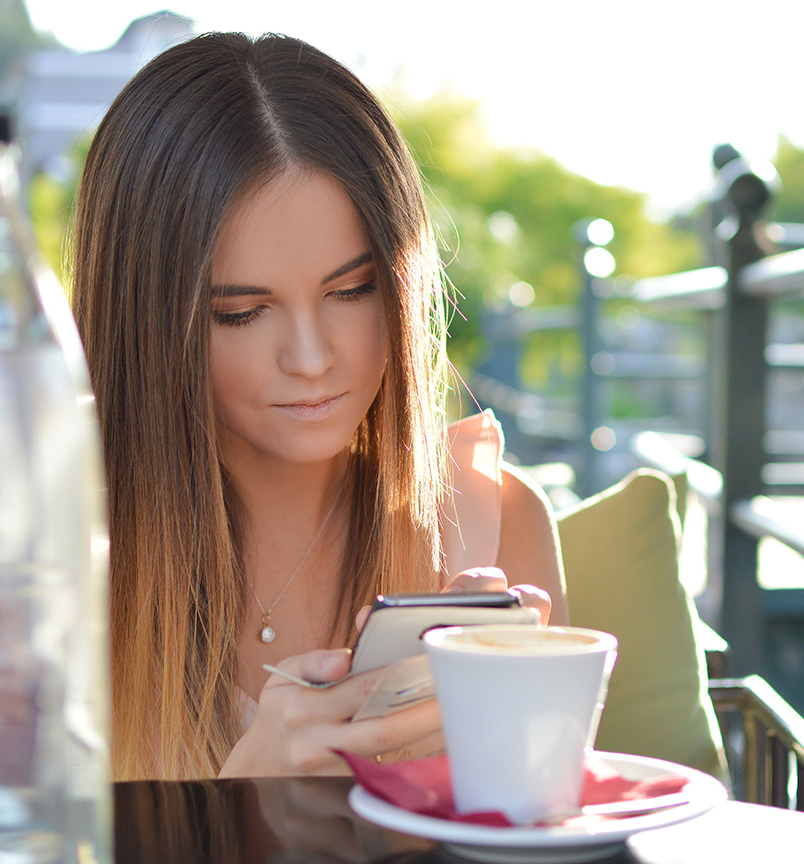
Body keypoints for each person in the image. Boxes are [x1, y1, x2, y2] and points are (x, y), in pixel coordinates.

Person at [69, 31, 566, 782]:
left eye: (351, 290)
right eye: (240, 311)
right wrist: (239, 809)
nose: (310, 358)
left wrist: (514, 757)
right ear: (142, 320)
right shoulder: (44, 556)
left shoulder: (493, 524)